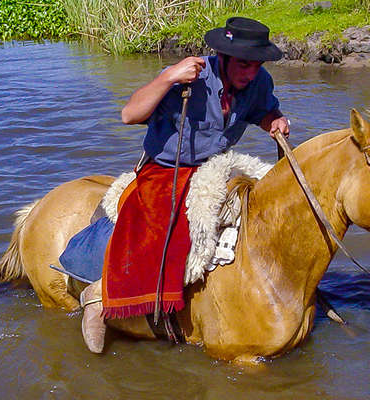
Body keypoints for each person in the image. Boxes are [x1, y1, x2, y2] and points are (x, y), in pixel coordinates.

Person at [80, 16, 290, 352]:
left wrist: (273, 120)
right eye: (244, 65)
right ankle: (100, 297)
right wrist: (168, 77)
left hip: (217, 166)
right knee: (162, 227)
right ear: (224, 56)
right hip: (166, 169)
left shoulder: (259, 82)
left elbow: (263, 111)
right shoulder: (189, 77)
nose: (250, 73)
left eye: (257, 65)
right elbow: (129, 115)